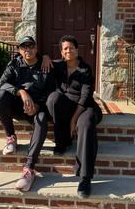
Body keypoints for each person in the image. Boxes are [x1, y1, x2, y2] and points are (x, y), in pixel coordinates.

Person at [44, 35, 102, 198]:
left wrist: (73, 121)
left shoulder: (85, 69)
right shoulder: (57, 66)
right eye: (65, 49)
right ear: (61, 52)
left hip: (85, 108)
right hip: (67, 105)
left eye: (71, 48)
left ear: (77, 50)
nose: (68, 51)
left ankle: (85, 177)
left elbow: (84, 98)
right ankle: (62, 141)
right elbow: (40, 59)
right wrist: (45, 57)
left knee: (86, 125)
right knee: (53, 98)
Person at [0, 36, 54, 192]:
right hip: (18, 107)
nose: (28, 50)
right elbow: (2, 84)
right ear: (20, 50)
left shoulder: (45, 65)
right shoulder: (14, 64)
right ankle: (11, 138)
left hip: (36, 109)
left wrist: (38, 106)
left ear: (36, 48)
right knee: (0, 96)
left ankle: (29, 168)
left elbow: (51, 91)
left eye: (31, 46)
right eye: (24, 47)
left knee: (42, 119)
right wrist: (20, 91)